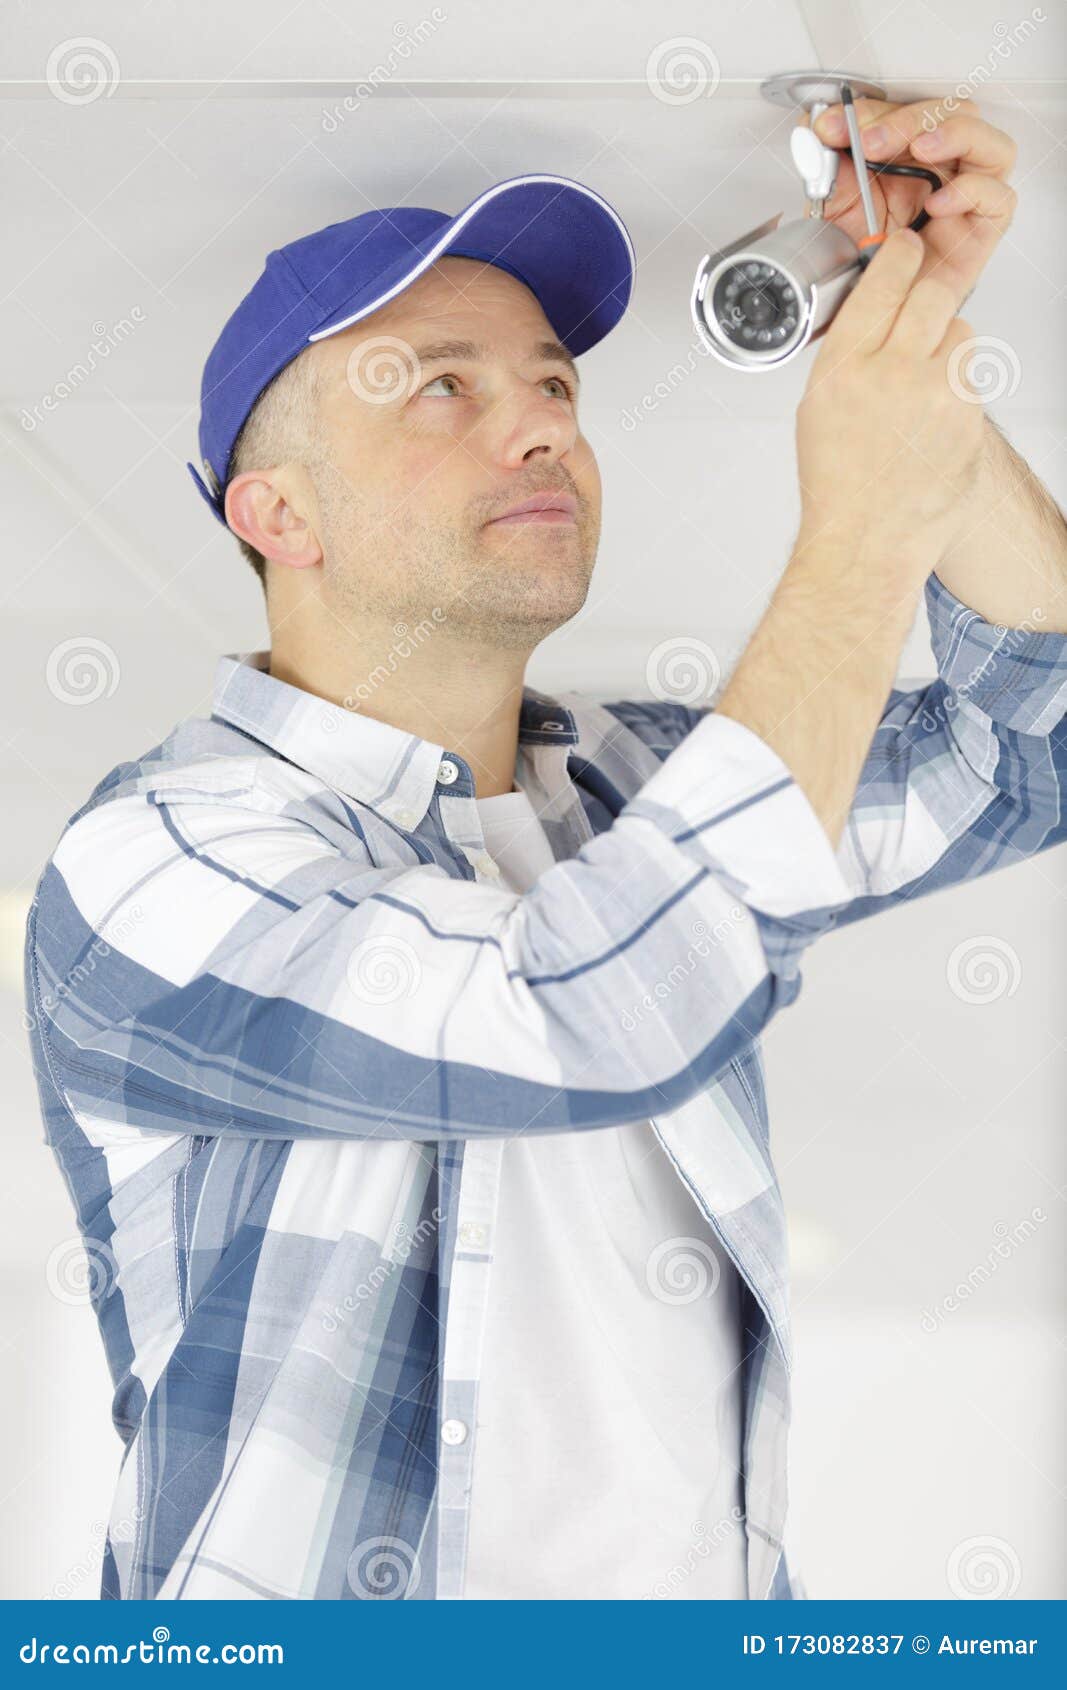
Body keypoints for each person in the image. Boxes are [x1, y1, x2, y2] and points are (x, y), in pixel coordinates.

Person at [24, 96, 1067, 1601]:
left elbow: (1029, 747)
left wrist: (908, 358)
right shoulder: (155, 859)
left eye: (555, 383)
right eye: (441, 387)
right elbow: (594, 1007)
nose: (546, 426)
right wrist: (857, 533)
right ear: (279, 514)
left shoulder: (640, 791)